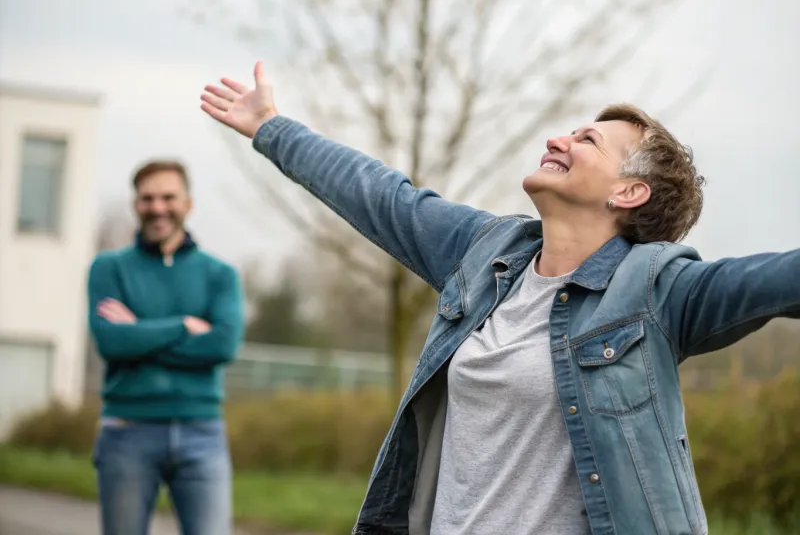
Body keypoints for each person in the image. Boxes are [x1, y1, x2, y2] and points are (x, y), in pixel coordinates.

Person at [199, 62, 800, 535]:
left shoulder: (660, 293)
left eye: (586, 139)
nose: (557, 139)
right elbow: (381, 196)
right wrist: (272, 128)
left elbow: (777, 278)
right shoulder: (488, 254)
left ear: (629, 191)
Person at [87, 160, 244, 535]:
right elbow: (111, 343)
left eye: (168, 197)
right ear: (135, 205)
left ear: (188, 203)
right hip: (127, 430)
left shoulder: (220, 274)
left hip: (202, 432)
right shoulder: (108, 268)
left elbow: (222, 346)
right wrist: (184, 327)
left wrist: (138, 330)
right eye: (147, 198)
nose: (158, 207)